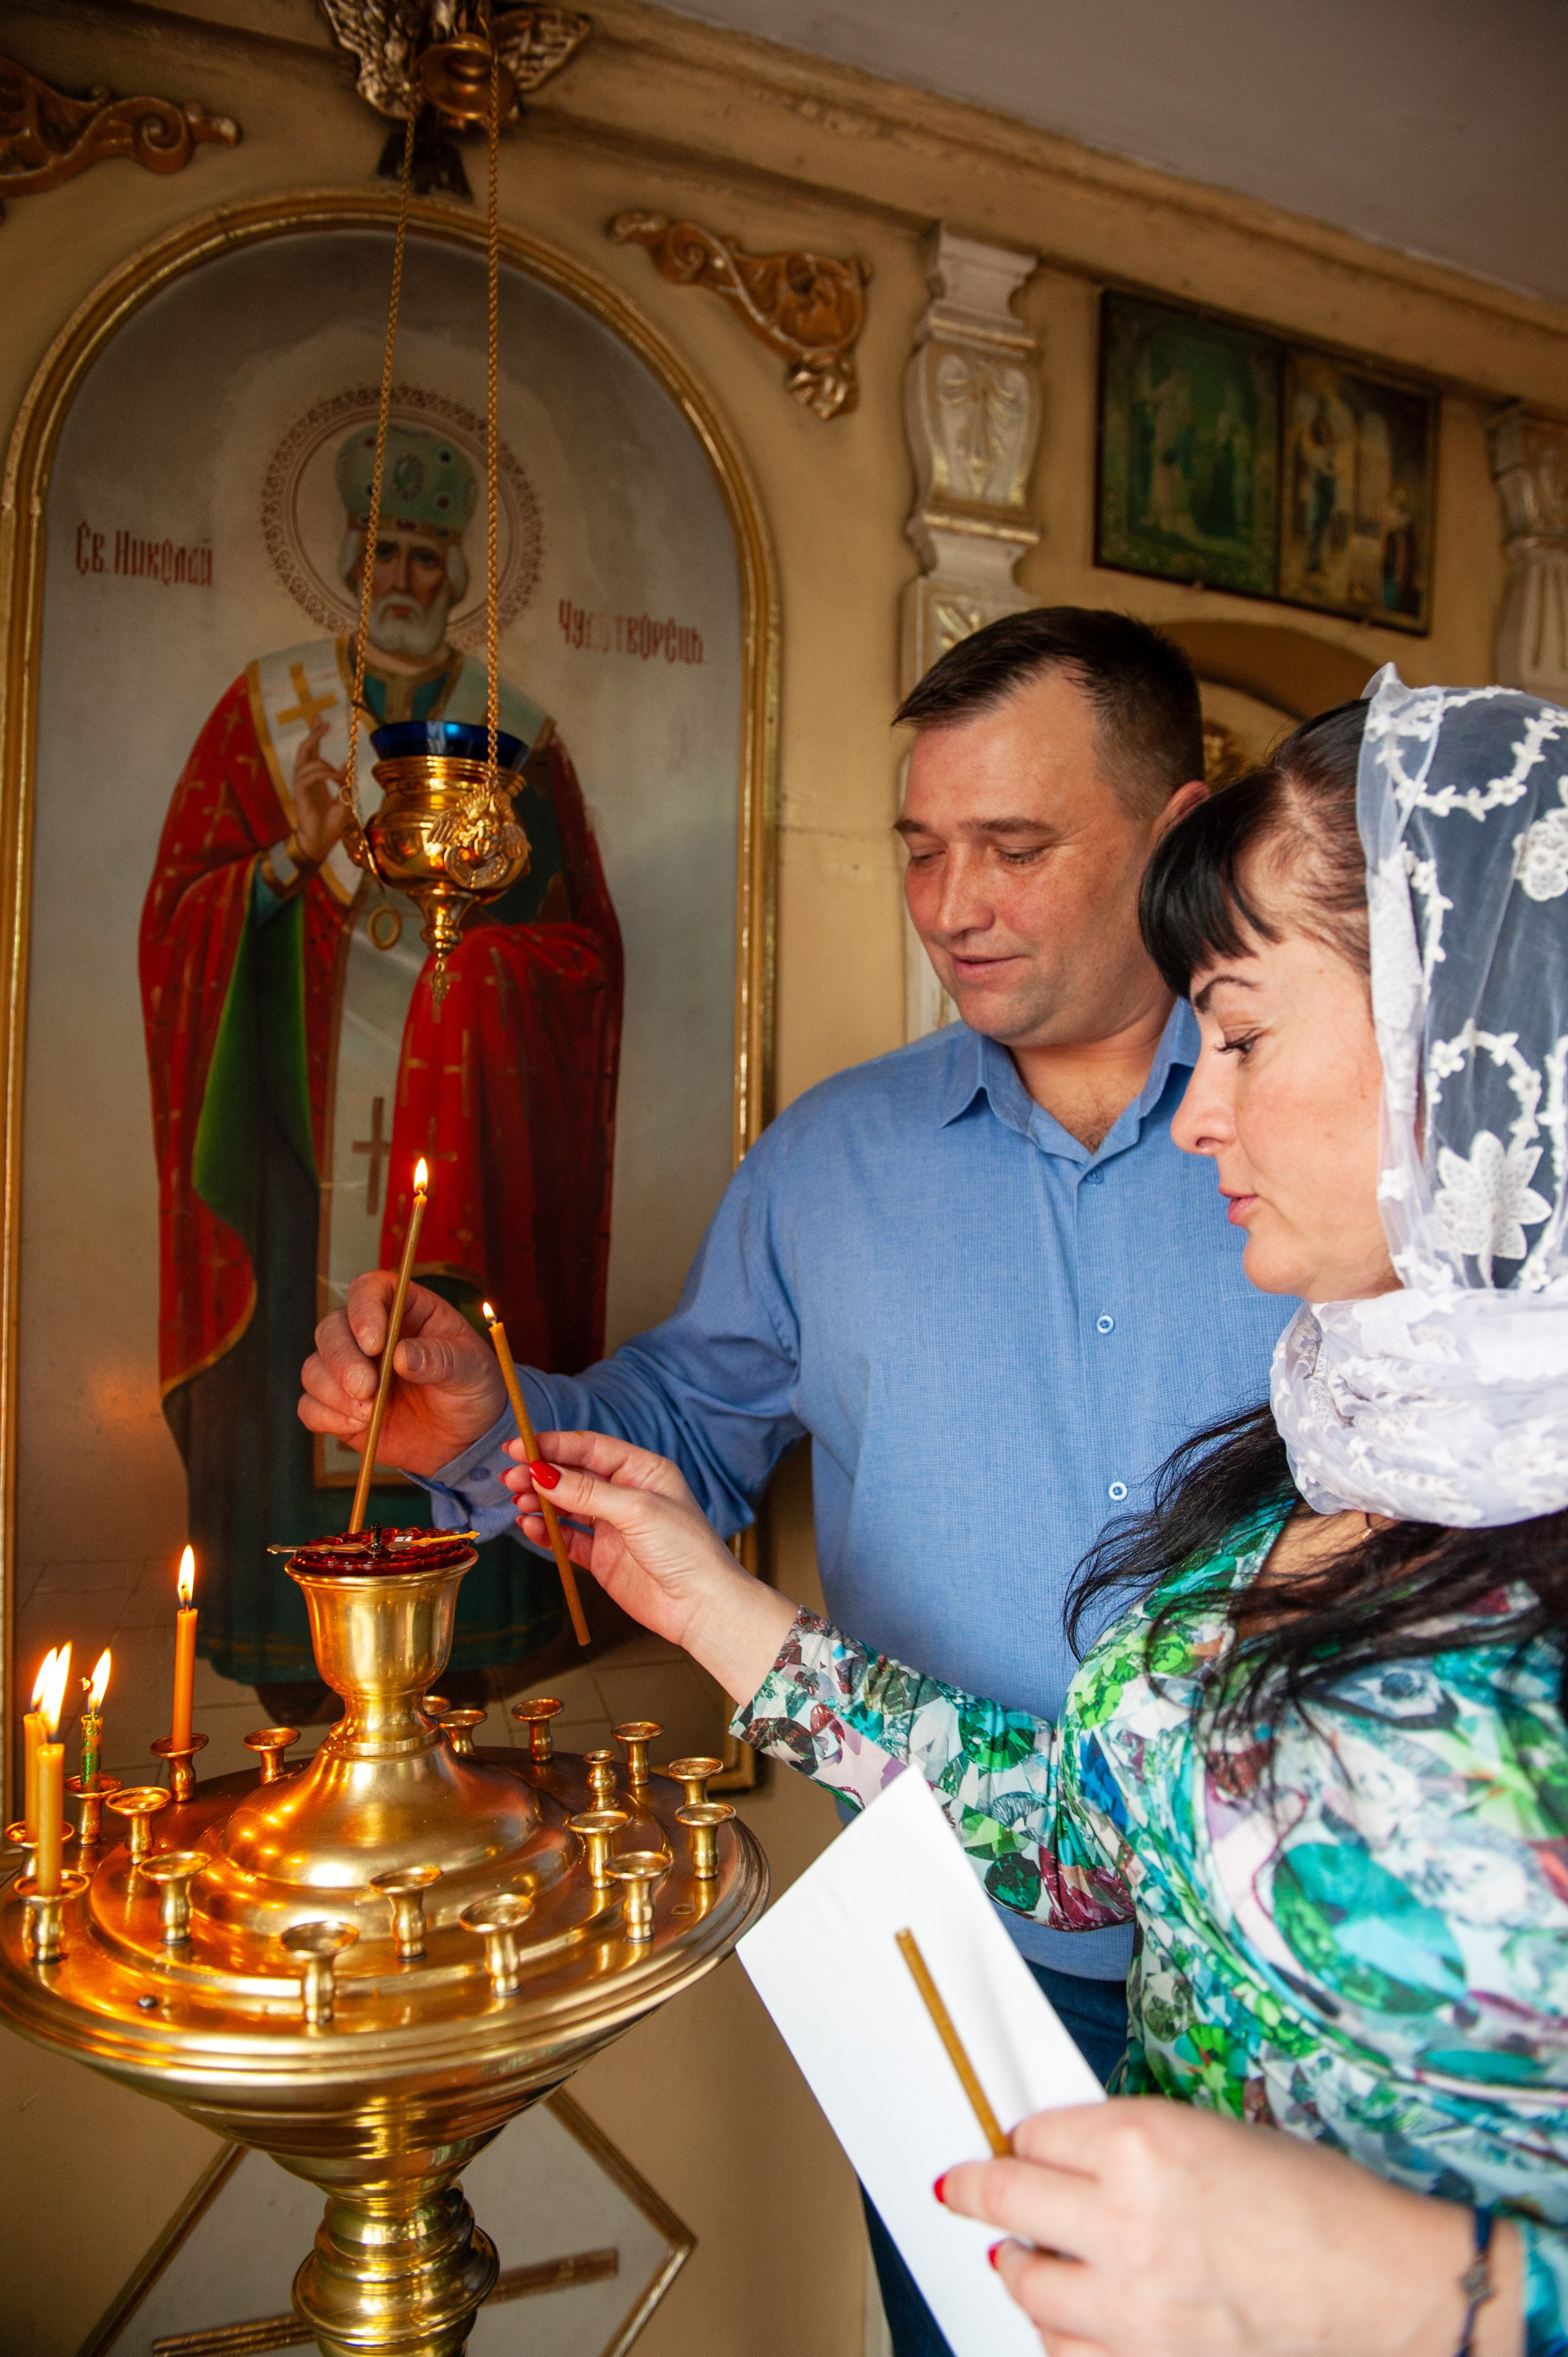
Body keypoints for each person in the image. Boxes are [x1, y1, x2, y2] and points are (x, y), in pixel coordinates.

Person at [493, 672, 1568, 2354]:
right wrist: (707, 1604)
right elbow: (1091, 1824)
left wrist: (1423, 2289)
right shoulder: (1340, 1448)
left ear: (1466, 1038)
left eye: (1251, 1035)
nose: (1203, 1104)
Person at [299, 608, 1294, 2353]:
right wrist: (478, 1428)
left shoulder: (1327, 1136)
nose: (953, 903)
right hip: (951, 1958)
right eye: (921, 848)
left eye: (1015, 847)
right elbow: (688, 1422)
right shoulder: (830, 1159)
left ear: (1177, 830)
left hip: (1309, 1961)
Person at [145, 418, 620, 1699]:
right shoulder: (263, 711)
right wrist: (291, 860)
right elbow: (178, 918)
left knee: (450, 1355)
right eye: (384, 551)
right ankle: (282, 1648)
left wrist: (486, 980)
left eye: (427, 554)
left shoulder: (519, 732)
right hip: (296, 1137)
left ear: (459, 570)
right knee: (308, 1367)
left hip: (470, 1128)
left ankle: (486, 1641)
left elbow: (586, 953)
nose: (406, 575)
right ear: (349, 561)